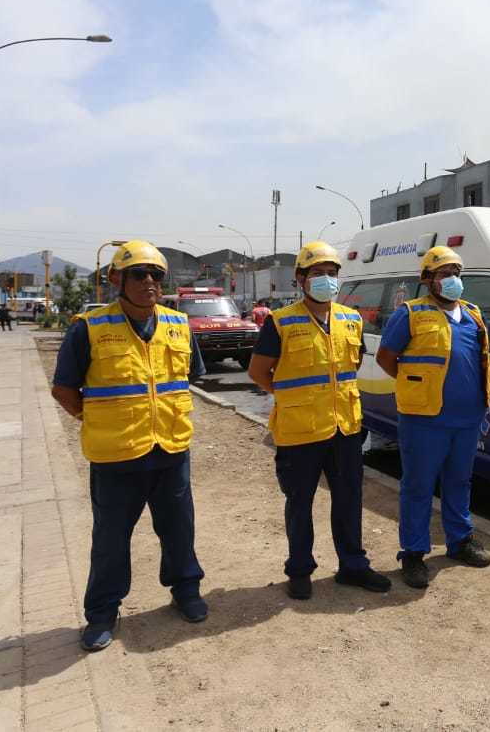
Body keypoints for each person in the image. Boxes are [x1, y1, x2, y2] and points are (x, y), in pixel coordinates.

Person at [50, 240, 209, 652]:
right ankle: (102, 613)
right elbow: (64, 389)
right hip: (116, 456)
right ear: (116, 280)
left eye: (156, 274)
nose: (149, 281)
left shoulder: (179, 325)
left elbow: (189, 375)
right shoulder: (89, 328)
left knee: (179, 529)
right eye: (139, 274)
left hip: (170, 449)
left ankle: (186, 590)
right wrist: (99, 418)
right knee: (111, 539)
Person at [247, 241, 390, 600]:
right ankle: (299, 569)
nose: (326, 279)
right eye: (317, 273)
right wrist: (291, 396)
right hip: (300, 431)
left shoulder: (351, 319)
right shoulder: (280, 322)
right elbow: (258, 372)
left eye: (331, 273)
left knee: (349, 500)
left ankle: (353, 566)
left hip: (345, 428)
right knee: (300, 503)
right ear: (300, 279)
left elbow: (352, 365)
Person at [375, 245, 490, 590]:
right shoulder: (410, 313)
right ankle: (413, 553)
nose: (452, 279)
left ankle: (460, 541)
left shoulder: (473, 314)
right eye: (444, 274)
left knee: (459, 482)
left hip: (467, 418)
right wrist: (415, 385)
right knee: (418, 486)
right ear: (427, 279)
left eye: (456, 273)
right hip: (424, 418)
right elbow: (386, 358)